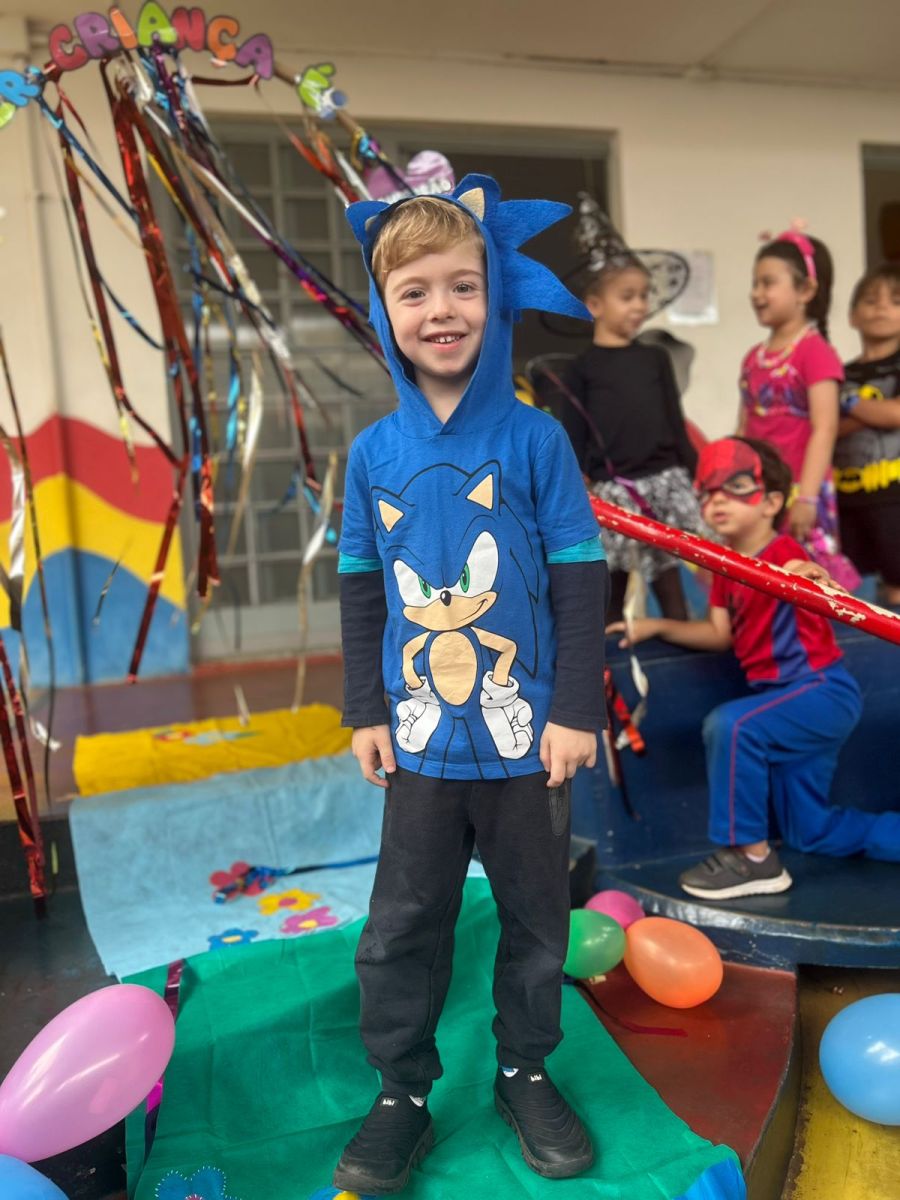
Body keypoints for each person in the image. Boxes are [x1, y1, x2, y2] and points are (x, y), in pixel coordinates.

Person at [334, 176, 609, 1194]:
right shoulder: (374, 454)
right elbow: (361, 587)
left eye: (462, 286)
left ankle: (524, 1068)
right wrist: (366, 709)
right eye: (414, 292)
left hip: (529, 743)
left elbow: (580, 574)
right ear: (384, 311)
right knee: (402, 925)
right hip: (419, 746)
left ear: (495, 298)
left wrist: (573, 709)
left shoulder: (536, 440)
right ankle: (401, 1090)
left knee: (537, 920)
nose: (440, 309)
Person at [608, 436, 900, 900]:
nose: (717, 500)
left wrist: (806, 573)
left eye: (736, 487)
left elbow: (804, 571)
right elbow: (718, 633)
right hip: (782, 704)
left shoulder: (782, 552)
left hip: (820, 692)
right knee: (811, 831)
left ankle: (753, 857)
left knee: (732, 726)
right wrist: (655, 625)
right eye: (707, 493)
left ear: (771, 503)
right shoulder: (726, 568)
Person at [558, 253, 703, 623]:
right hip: (614, 494)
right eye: (627, 297)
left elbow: (675, 423)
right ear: (595, 305)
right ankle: (608, 658)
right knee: (611, 590)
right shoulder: (580, 369)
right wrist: (577, 492)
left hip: (665, 484)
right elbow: (573, 439)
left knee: (670, 584)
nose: (640, 305)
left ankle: (679, 644)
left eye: (644, 295)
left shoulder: (655, 358)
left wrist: (699, 476)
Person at [739, 228, 857, 588]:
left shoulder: (815, 352)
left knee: (807, 577)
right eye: (755, 284)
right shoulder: (753, 358)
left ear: (805, 291)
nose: (756, 293)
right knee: (763, 571)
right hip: (761, 491)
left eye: (767, 283)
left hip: (801, 488)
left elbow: (825, 428)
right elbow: (743, 429)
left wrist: (806, 496)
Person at [834, 263, 900, 604]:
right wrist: (872, 410)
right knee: (849, 588)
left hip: (894, 496)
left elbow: (896, 414)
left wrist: (848, 404)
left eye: (895, 301)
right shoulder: (838, 373)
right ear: (852, 316)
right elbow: (825, 428)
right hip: (845, 497)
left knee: (897, 583)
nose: (881, 307)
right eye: (871, 300)